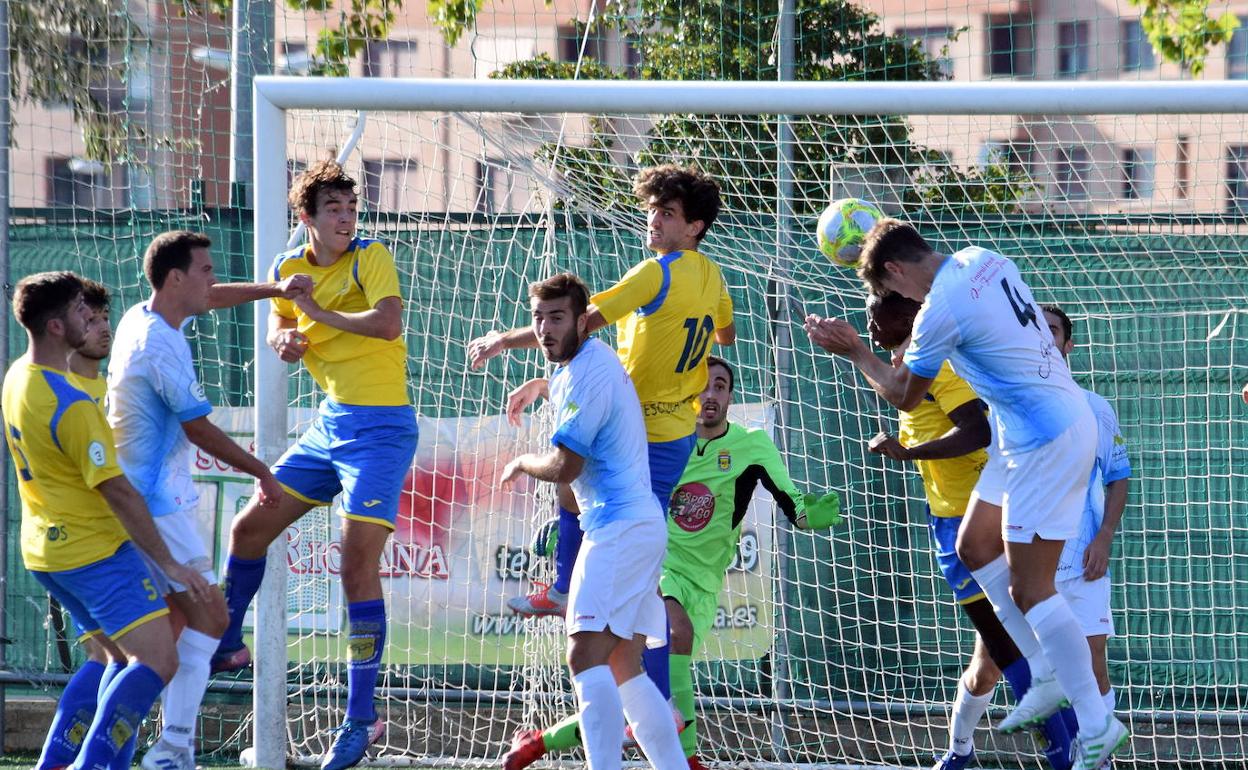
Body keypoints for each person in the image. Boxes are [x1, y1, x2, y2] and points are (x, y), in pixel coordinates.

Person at [803, 219, 1128, 770]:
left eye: (890, 291)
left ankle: (1098, 723)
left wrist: (857, 351)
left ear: (897, 271)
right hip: (1022, 429)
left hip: (1043, 436)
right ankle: (1043, 672)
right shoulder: (981, 256)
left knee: (1031, 588)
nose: (895, 299)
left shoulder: (937, 311)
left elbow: (905, 398)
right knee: (975, 548)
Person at [503, 355, 841, 770]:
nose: (710, 394)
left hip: (703, 581)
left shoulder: (752, 446)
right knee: (667, 638)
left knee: (624, 680)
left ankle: (539, 742)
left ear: (731, 397)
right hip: (650, 561)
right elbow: (600, 476)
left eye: (720, 386)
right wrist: (567, 528)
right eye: (703, 385)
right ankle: (688, 756)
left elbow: (794, 505)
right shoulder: (662, 440)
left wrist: (812, 515)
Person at [212, 161, 419, 770]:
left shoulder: (370, 256)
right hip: (330, 426)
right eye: (333, 209)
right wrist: (286, 339)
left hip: (382, 430)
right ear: (306, 217)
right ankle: (226, 641)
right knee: (248, 528)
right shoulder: (288, 268)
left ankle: (362, 718)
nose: (346, 218)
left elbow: (387, 324)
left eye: (351, 209)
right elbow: (282, 327)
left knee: (355, 565)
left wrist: (317, 316)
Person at [469, 163, 735, 619]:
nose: (654, 220)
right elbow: (726, 334)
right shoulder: (712, 276)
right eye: (653, 210)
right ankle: (566, 586)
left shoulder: (656, 274)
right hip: (675, 430)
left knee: (611, 541)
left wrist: (502, 341)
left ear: (695, 227)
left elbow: (577, 324)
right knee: (593, 513)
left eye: (667, 213)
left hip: (638, 429)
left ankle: (569, 590)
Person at [102, 230, 311, 770]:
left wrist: (274, 290)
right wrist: (263, 471)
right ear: (176, 279)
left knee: (165, 633)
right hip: (155, 508)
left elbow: (213, 298)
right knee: (211, 618)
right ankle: (168, 748)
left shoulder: (144, 316)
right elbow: (199, 429)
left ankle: (155, 749)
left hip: (140, 499)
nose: (213, 278)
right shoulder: (159, 346)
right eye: (206, 269)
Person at [3, 271, 212, 770]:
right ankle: (92, 764)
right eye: (82, 312)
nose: (93, 320)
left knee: (113, 658)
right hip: (94, 551)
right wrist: (170, 564)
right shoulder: (73, 405)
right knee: (158, 661)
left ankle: (59, 761)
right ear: (57, 327)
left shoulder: (16, 377)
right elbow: (115, 489)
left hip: (45, 551)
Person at [865, 292, 1074, 770]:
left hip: (973, 522)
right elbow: (896, 385)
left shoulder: (938, 365)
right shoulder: (914, 365)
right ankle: (960, 750)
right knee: (988, 664)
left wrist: (909, 453)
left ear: (909, 315)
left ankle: (1065, 749)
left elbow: (977, 431)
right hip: (958, 515)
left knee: (1012, 645)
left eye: (877, 307)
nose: (869, 318)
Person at [499, 272, 686, 770]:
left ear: (583, 321)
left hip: (620, 529)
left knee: (584, 657)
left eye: (557, 318)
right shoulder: (579, 365)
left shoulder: (587, 373)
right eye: (538, 317)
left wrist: (522, 462)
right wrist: (541, 385)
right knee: (624, 664)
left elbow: (565, 467)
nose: (543, 329)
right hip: (633, 526)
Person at [1041, 304, 1131, 721]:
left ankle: (1098, 754)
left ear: (1068, 345)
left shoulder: (1096, 407)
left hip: (1082, 560)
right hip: (1027, 562)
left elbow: (1118, 475)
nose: (1044, 337)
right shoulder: (1003, 404)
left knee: (1094, 659)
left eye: (1053, 330)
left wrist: (1104, 537)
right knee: (1039, 669)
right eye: (1036, 330)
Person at [67, 278, 112, 404]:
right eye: (91, 320)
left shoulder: (111, 390)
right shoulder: (57, 391)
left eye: (105, 318)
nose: (105, 328)